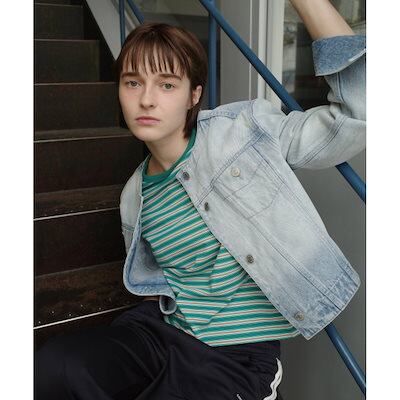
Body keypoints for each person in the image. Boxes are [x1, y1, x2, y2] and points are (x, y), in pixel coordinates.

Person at [35, 0, 366, 399]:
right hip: (161, 331)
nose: (146, 100)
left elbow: (358, 113)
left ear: (194, 95)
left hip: (237, 356)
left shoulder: (241, 133)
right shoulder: (133, 195)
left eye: (167, 85)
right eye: (133, 82)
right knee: (53, 367)